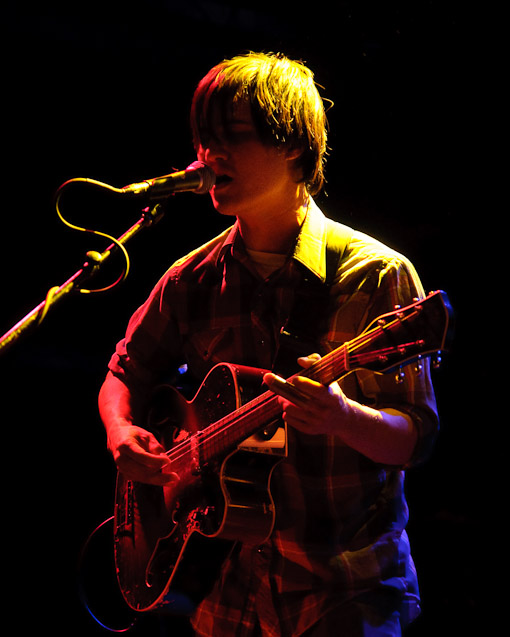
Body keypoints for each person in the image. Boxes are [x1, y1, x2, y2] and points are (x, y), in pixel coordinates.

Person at [98, 52, 439, 636]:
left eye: (231, 137)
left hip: (348, 586)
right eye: (205, 141)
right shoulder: (192, 278)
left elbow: (413, 440)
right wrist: (120, 433)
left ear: (293, 147)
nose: (210, 157)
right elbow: (124, 370)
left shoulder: (375, 275)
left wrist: (340, 416)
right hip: (228, 583)